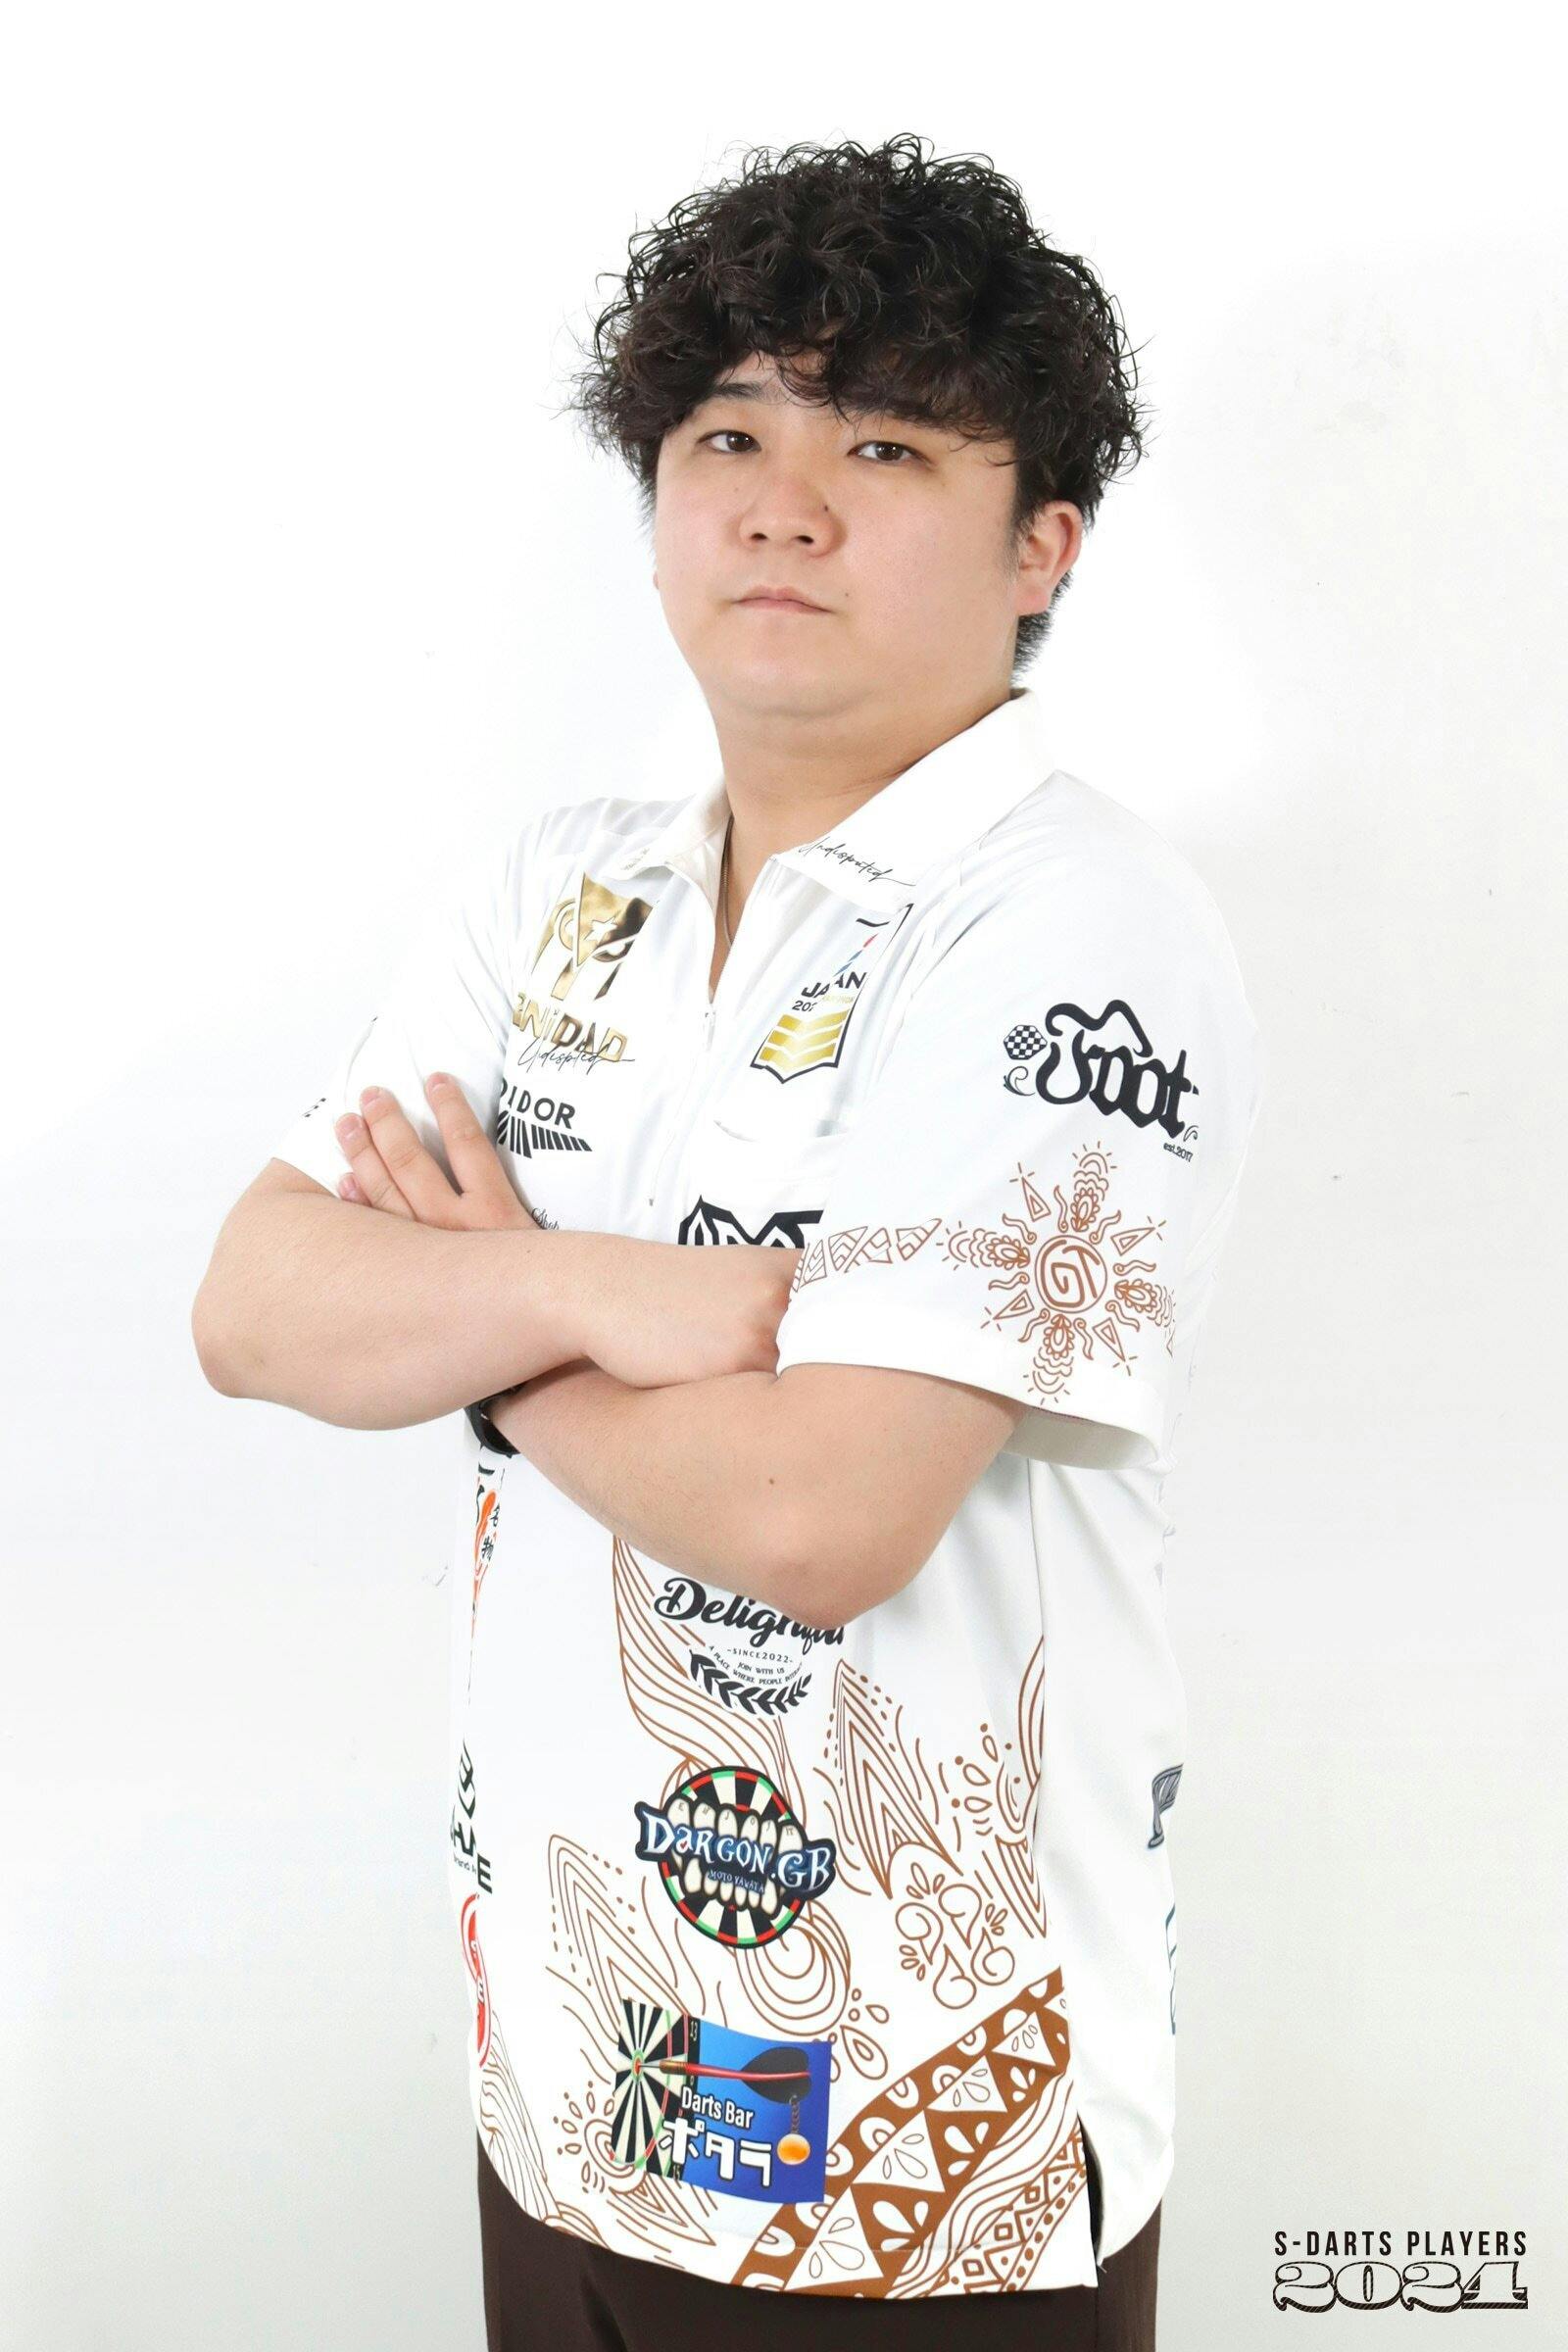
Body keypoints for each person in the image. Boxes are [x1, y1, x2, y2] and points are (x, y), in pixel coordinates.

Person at [193, 133, 1262, 2349]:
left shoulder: (1068, 924)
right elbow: (254, 1306)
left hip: (922, 2151)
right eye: (726, 437)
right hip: (569, 2069)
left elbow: (816, 1515)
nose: (781, 506)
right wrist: (593, 1289)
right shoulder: (560, 889)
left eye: (883, 445)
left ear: (1041, 545)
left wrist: (472, 1320)